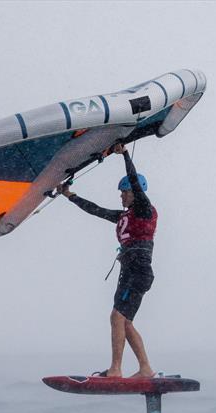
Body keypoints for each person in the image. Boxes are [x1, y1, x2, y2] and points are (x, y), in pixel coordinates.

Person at [56, 143, 157, 378]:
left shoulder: (144, 208)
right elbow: (96, 210)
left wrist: (124, 155)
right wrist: (69, 195)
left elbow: (133, 180)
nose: (121, 195)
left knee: (116, 318)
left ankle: (115, 370)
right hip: (132, 272)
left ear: (134, 192)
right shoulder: (124, 215)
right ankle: (146, 369)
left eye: (124, 192)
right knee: (126, 322)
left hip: (138, 270)